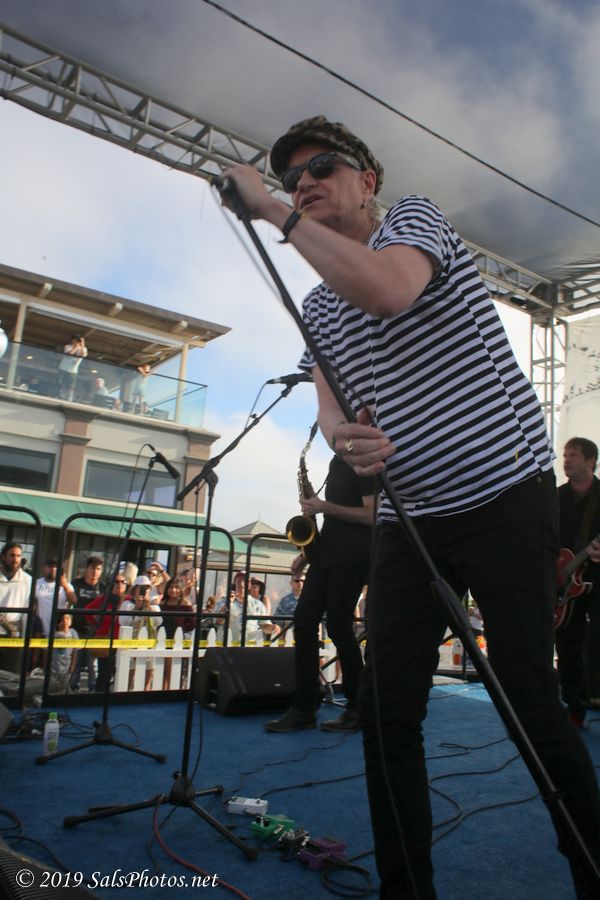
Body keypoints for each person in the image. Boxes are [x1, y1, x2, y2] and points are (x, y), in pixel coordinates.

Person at [221, 115, 600, 899]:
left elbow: (389, 289)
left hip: (502, 496)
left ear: (368, 180)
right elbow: (330, 408)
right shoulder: (320, 307)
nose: (303, 183)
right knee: (387, 709)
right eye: (290, 178)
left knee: (527, 695)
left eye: (322, 167)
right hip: (407, 517)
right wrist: (345, 438)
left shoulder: (416, 219)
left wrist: (269, 208)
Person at [266, 455, 374, 733]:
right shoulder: (336, 462)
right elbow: (333, 520)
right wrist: (307, 554)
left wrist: (324, 506)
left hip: (353, 554)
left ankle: (357, 707)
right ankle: (304, 706)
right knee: (303, 621)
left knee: (338, 627)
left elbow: (372, 513)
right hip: (327, 553)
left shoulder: (365, 462)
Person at [555, 437, 600, 728]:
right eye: (565, 455)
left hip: (598, 579)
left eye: (573, 455)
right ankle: (574, 708)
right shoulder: (556, 497)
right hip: (563, 582)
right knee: (567, 645)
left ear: (591, 461)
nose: (566, 460)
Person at [84, 575, 129, 693]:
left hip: (122, 641)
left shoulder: (129, 600)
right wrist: (96, 624)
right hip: (104, 640)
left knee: (119, 672)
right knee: (104, 673)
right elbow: (87, 610)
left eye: (123, 582)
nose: (119, 584)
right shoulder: (104, 599)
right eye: (116, 582)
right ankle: (99, 696)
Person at [69, 556, 105, 692]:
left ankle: (92, 687)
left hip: (94, 630)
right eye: (93, 568)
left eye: (98, 569)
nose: (95, 572)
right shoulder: (76, 584)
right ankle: (72, 685)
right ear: (87, 569)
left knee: (91, 663)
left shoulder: (103, 587)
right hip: (77, 627)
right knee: (76, 661)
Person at [214, 575, 279, 645]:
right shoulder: (224, 601)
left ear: (249, 585)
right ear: (234, 584)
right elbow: (218, 621)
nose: (242, 583)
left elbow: (264, 626)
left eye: (245, 581)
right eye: (239, 581)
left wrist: (273, 628)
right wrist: (228, 604)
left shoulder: (258, 604)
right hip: (226, 646)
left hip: (248, 647)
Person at [0, 542, 32, 674]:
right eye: (12, 555)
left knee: (12, 676)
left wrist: (24, 638)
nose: (15, 559)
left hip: (14, 635)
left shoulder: (27, 580)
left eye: (18, 556)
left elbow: (26, 612)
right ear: (3, 557)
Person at [57, 334, 87, 401]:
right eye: (76, 340)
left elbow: (83, 354)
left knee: (71, 386)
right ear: (72, 340)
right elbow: (69, 354)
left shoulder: (84, 349)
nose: (77, 342)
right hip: (63, 368)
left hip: (73, 371)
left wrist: (82, 343)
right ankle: (57, 395)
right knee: (59, 382)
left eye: (78, 341)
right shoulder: (68, 346)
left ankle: (69, 398)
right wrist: (76, 347)